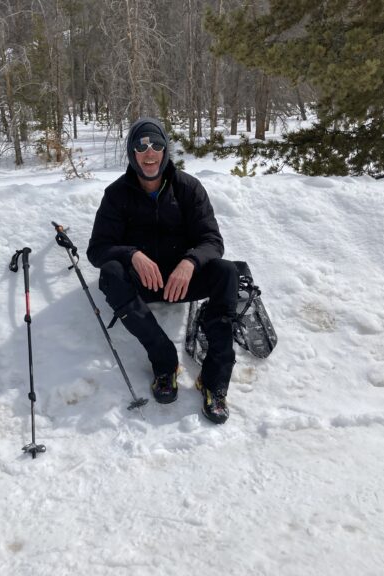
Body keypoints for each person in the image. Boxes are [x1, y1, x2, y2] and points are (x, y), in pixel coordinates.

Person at [87, 117, 239, 424]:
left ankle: (214, 380)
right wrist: (132, 255)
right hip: (144, 282)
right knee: (111, 275)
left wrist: (190, 262)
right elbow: (97, 250)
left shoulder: (188, 188)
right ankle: (164, 362)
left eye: (156, 144)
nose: (149, 151)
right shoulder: (116, 194)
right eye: (141, 145)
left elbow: (212, 241)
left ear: (165, 150)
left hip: (181, 281)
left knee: (227, 272)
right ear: (132, 153)